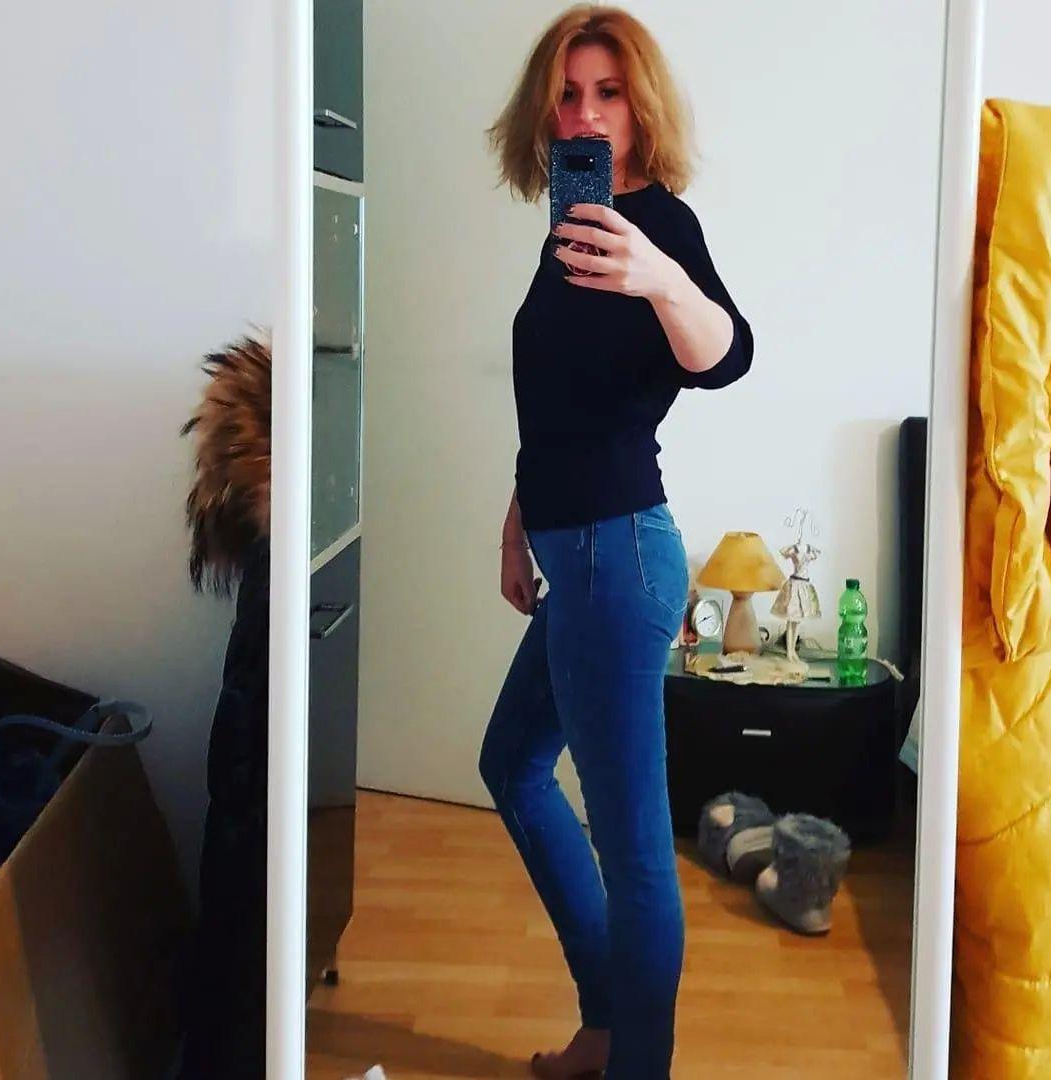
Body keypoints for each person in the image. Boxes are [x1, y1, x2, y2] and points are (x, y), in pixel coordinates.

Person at [477, 7, 753, 1077]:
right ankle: (607, 1026)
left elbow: (728, 353)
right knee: (511, 765)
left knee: (635, 850)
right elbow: (561, 407)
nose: (586, 114)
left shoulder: (657, 226)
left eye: (608, 93)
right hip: (576, 552)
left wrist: (661, 278)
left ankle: (634, 1060)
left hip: (616, 558)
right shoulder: (569, 231)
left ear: (642, 108)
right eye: (568, 94)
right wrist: (518, 520)